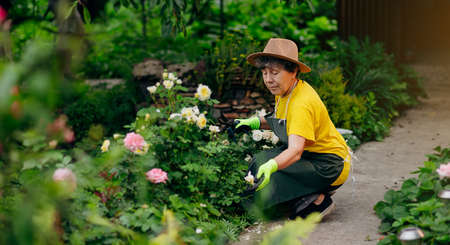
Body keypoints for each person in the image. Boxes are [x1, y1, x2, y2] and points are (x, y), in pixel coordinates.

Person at [236, 38, 351, 220]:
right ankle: (304, 195)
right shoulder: (285, 91)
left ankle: (319, 200)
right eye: (264, 73)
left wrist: (273, 165)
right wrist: (252, 123)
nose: (268, 80)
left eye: (274, 73)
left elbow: (295, 151)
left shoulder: (301, 103)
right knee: (259, 163)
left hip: (328, 165)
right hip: (310, 154)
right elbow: (281, 119)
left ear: (294, 71)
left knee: (271, 180)